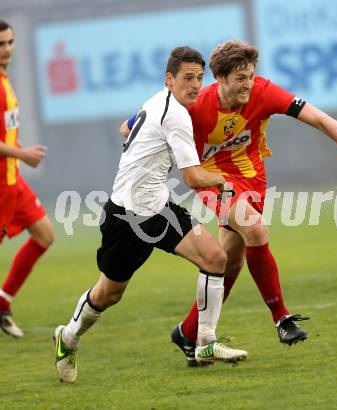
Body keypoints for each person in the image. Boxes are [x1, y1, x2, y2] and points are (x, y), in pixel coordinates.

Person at [121, 40, 337, 367]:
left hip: (253, 180)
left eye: (250, 76)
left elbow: (319, 118)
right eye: (240, 78)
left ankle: (187, 332)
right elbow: (129, 127)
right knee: (256, 228)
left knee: (230, 263)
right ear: (219, 79)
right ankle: (282, 318)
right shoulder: (195, 106)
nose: (248, 84)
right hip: (213, 180)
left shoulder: (263, 92)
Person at [54, 46, 248, 383]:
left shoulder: (157, 101)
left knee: (216, 257)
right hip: (126, 218)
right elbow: (192, 177)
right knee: (108, 294)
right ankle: (68, 337)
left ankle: (205, 341)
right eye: (188, 78)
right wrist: (225, 180)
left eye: (199, 79)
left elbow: (124, 129)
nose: (194, 85)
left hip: (158, 209)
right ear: (169, 79)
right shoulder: (175, 115)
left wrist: (144, 157)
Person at [0, 20, 54, 338]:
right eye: (1, 44)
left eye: (10, 42)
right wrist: (23, 155)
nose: (7, 49)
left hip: (13, 182)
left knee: (45, 235)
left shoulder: (5, 80)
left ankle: (3, 303)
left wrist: (19, 150)